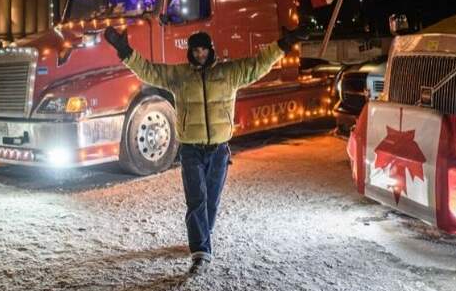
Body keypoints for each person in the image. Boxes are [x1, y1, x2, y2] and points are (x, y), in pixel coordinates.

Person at [104, 25, 305, 276]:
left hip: (219, 150)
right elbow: (150, 70)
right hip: (191, 150)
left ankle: (203, 234)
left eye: (203, 50)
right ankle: (200, 251)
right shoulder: (179, 76)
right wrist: (124, 50)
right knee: (196, 198)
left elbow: (258, 64)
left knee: (211, 200)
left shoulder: (228, 73)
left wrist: (284, 44)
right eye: (195, 51)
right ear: (190, 52)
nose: (199, 55)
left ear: (211, 51)